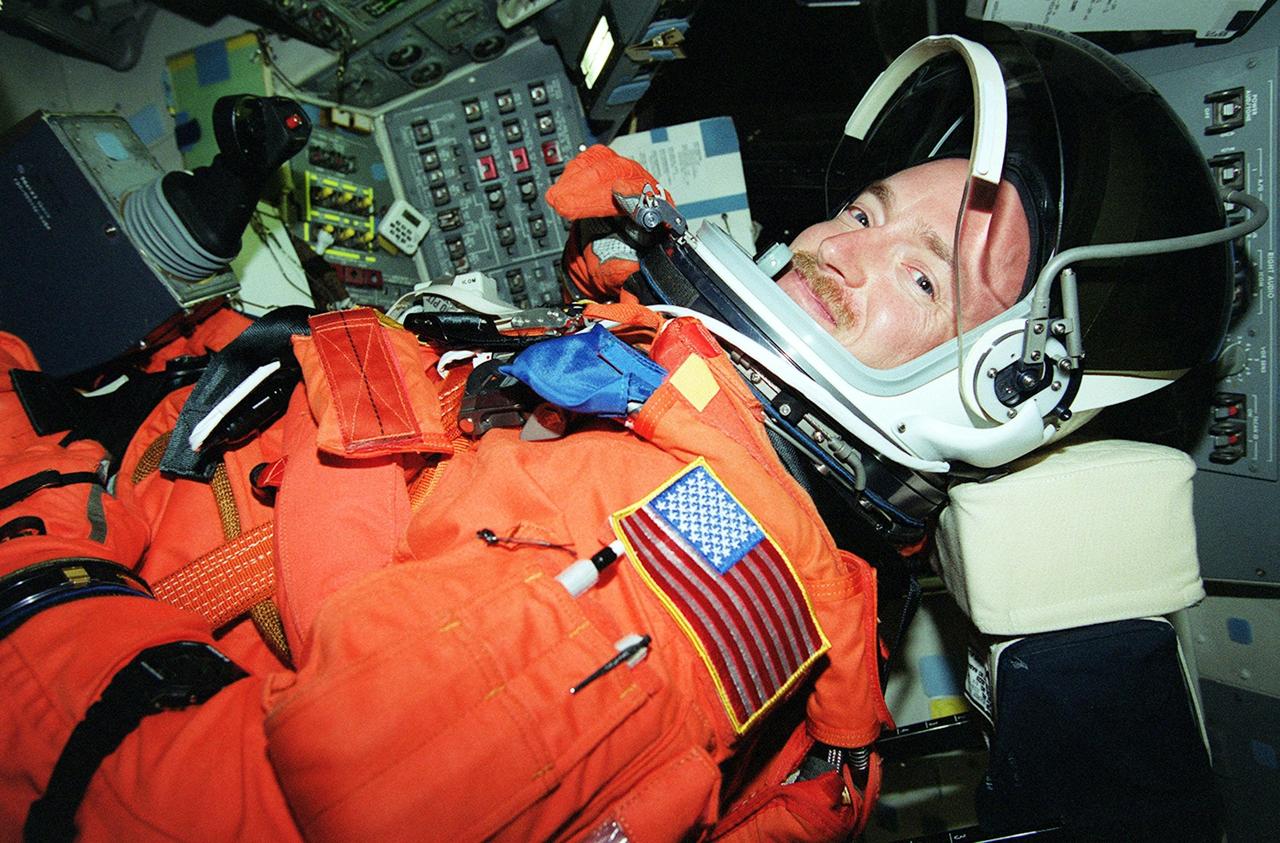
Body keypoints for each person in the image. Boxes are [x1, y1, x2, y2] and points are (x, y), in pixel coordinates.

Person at [0, 21, 1242, 843]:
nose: (831, 251)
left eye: (922, 279)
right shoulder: (693, 425)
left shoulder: (683, 575)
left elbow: (174, 807)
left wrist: (28, 521)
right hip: (153, 479)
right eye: (865, 209)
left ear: (1001, 386)